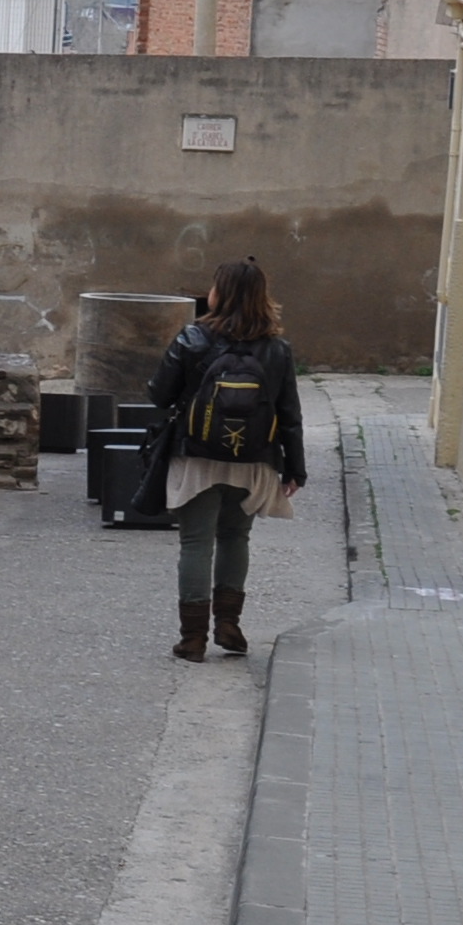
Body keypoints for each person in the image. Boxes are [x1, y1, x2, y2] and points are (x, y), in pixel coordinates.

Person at [138, 259, 305, 661]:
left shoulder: (192, 338)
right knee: (235, 537)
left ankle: (193, 638)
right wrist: (295, 469)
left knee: (196, 542)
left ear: (219, 294)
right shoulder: (277, 349)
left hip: (196, 456)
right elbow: (290, 414)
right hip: (254, 460)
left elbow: (159, 395)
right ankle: (229, 625)